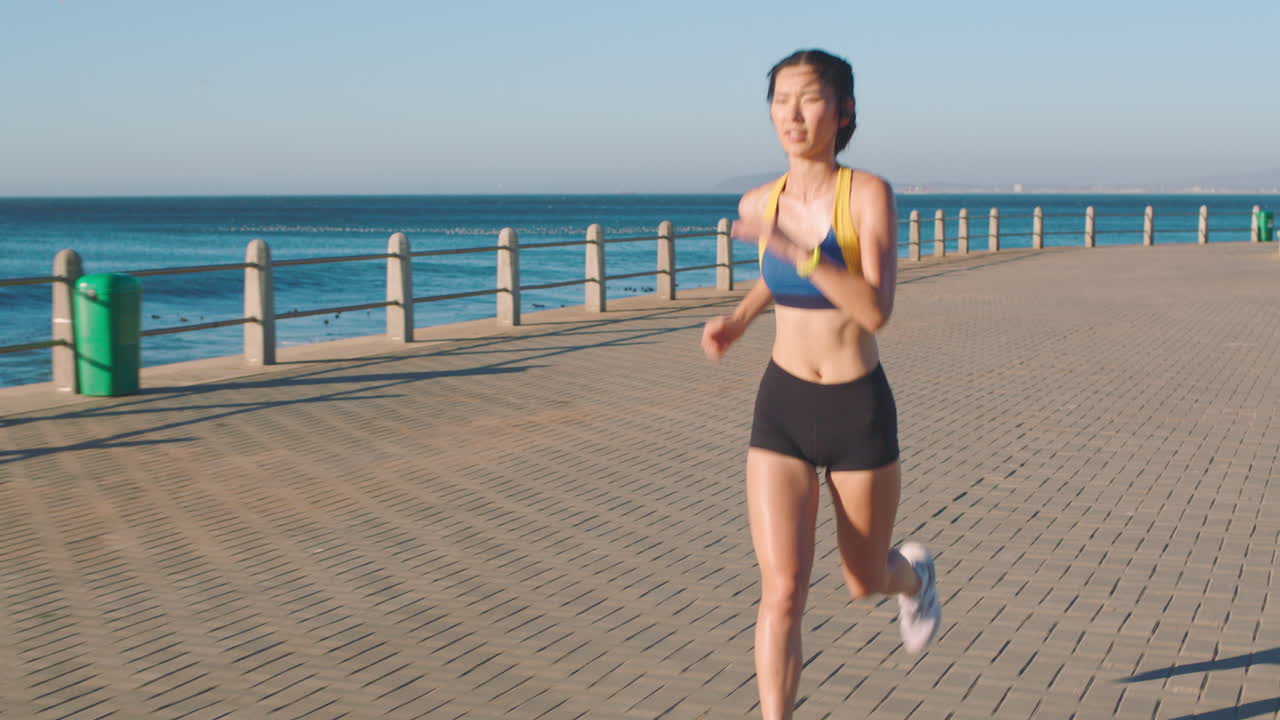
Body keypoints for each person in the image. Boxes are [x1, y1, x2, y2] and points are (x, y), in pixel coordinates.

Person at [701, 49, 940, 719]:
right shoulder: (761, 202)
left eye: (809, 98)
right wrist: (739, 320)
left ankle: (913, 576)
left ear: (844, 111)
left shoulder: (866, 195)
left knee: (864, 579)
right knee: (782, 591)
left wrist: (796, 249)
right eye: (781, 99)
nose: (793, 113)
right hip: (783, 405)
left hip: (856, 408)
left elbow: (875, 310)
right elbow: (773, 275)